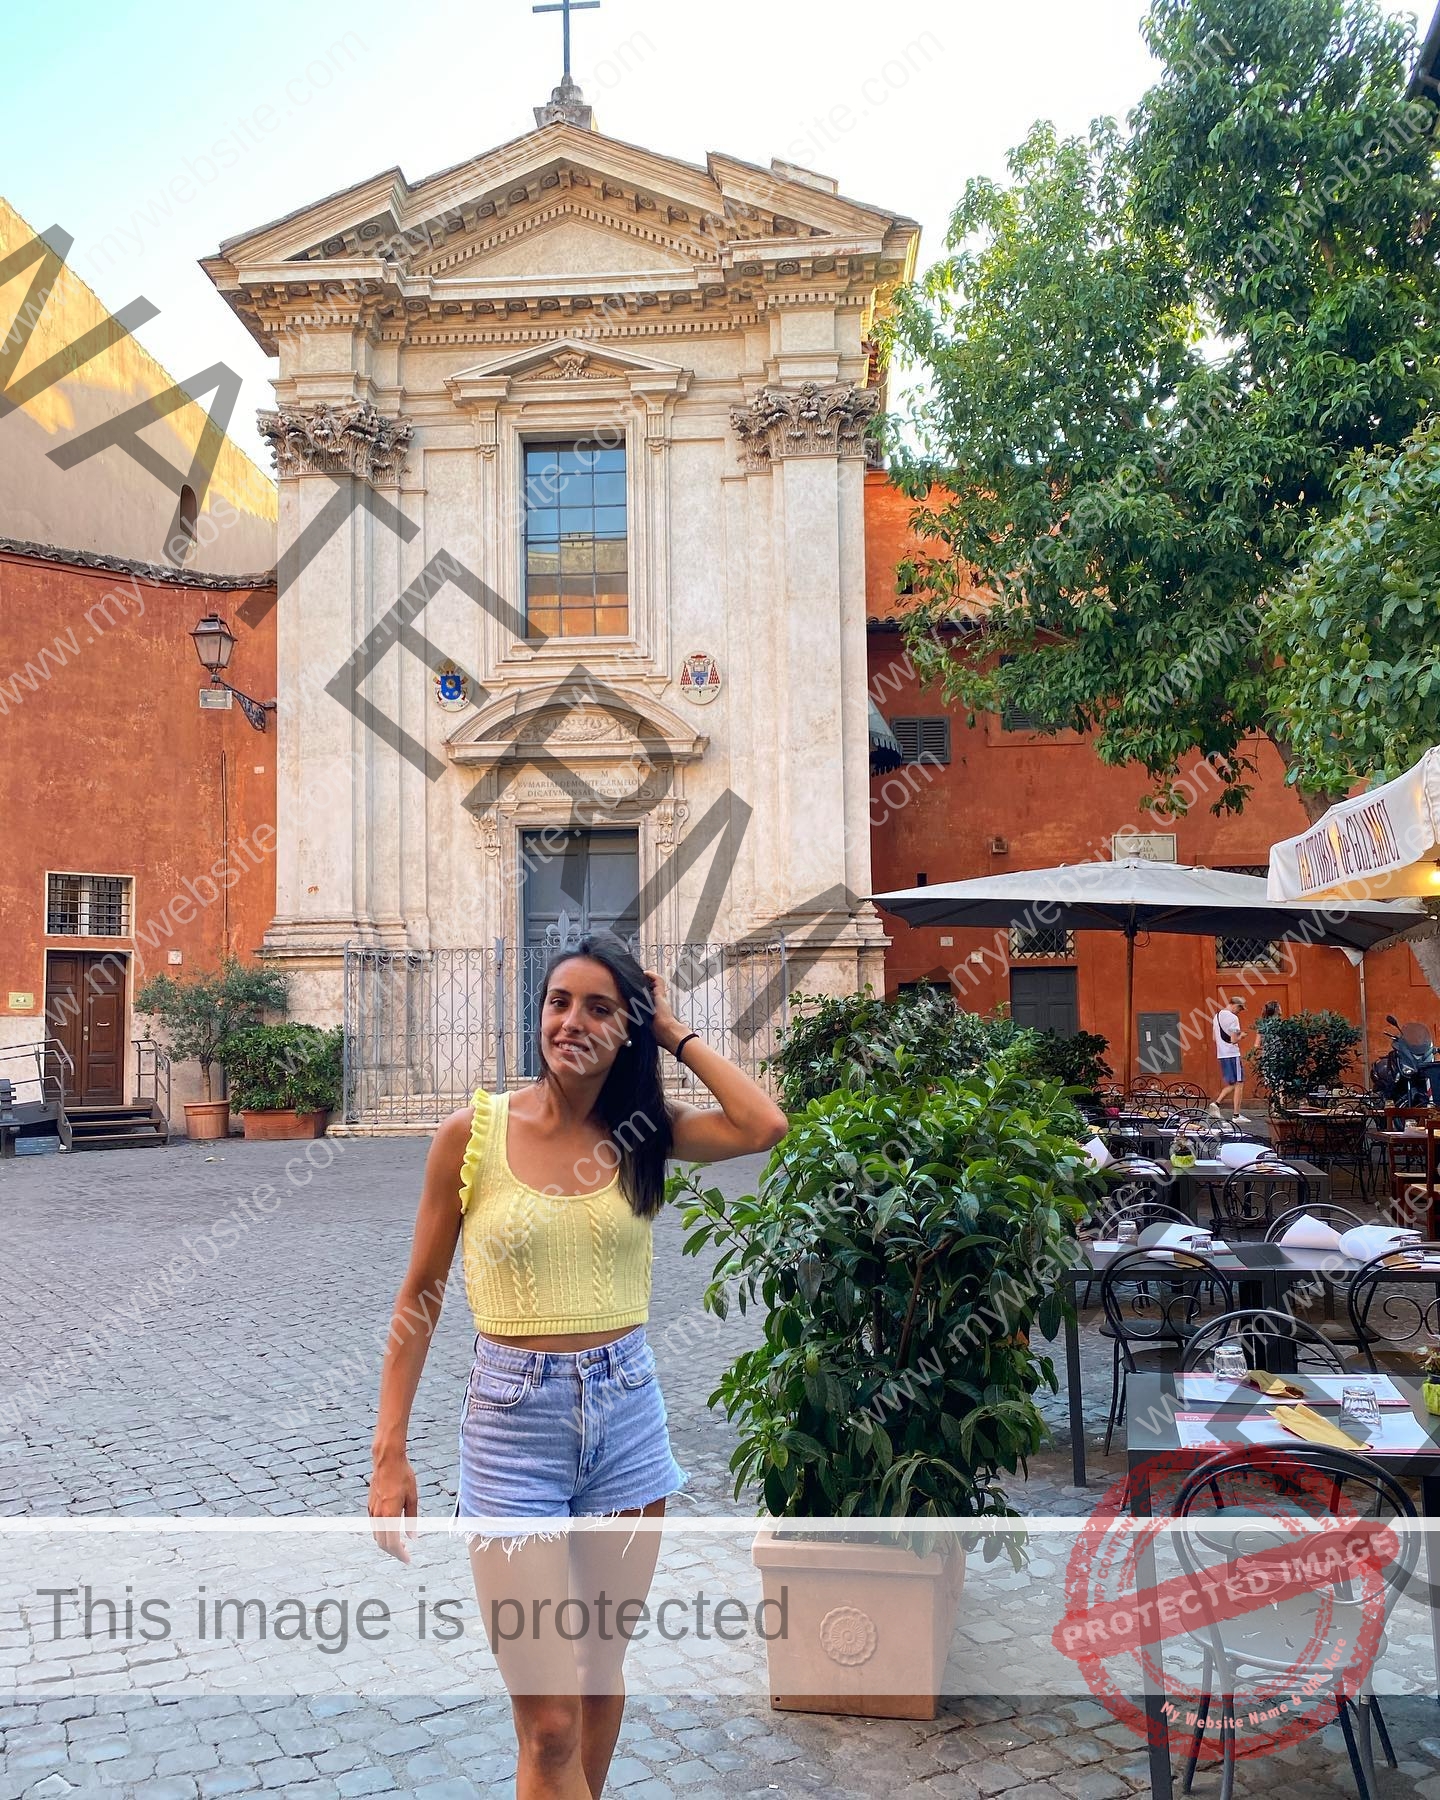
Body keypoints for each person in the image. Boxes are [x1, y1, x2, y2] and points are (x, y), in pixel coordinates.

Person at [368, 930, 788, 1799]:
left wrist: (672, 1029)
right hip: (509, 1429)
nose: (573, 1021)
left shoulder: (643, 1133)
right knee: (548, 1724)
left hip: (626, 1419)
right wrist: (390, 1450)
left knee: (601, 1673)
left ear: (625, 1028)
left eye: (601, 1007)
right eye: (560, 1002)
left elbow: (763, 1124)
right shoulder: (472, 1134)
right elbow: (420, 1294)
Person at [1210, 994, 1248, 1122]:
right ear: (1235, 1005)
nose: (1240, 1012)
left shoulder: (1216, 1016)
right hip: (1232, 1054)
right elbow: (1233, 1040)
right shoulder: (1233, 1018)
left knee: (1233, 1083)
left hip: (1222, 1054)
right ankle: (1236, 1115)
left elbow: (1214, 1038)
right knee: (1239, 1083)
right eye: (1240, 1009)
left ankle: (1216, 1104)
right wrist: (1241, 1036)